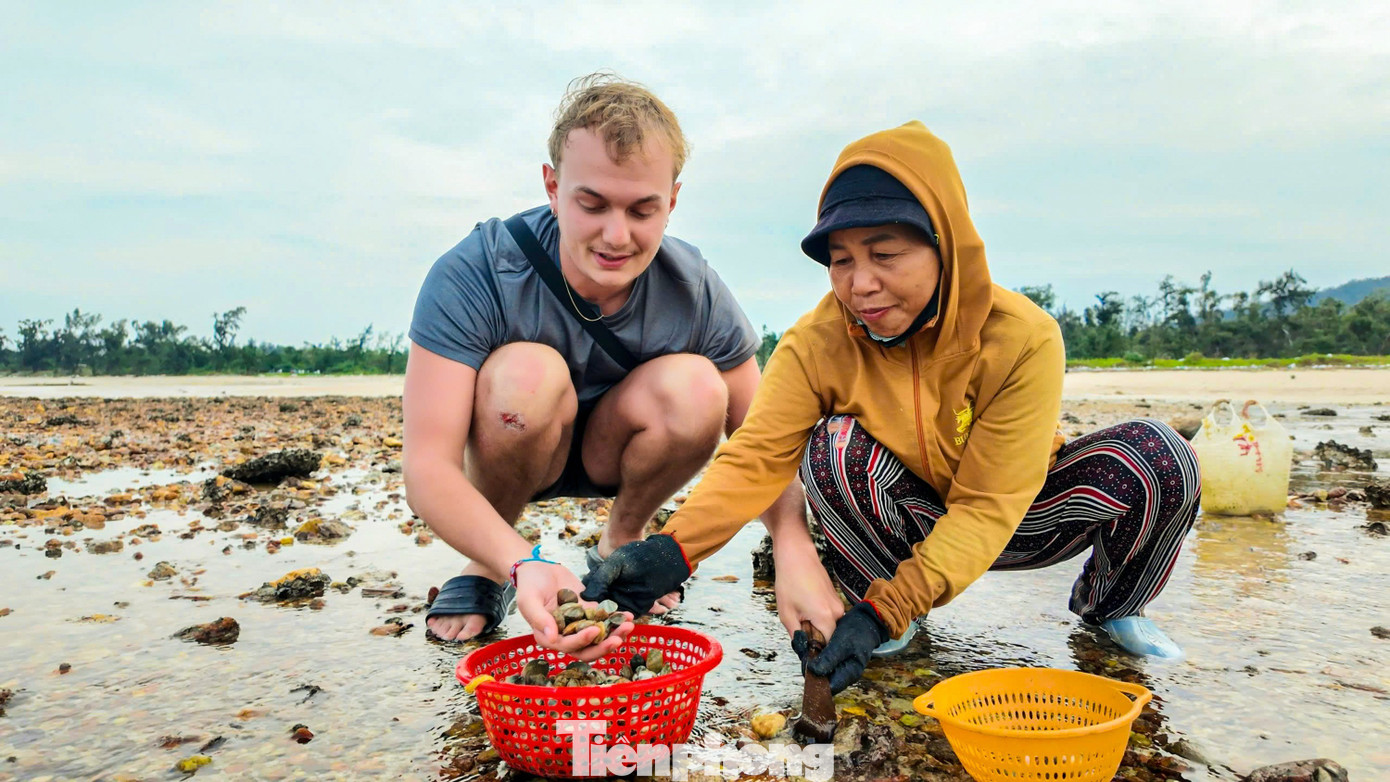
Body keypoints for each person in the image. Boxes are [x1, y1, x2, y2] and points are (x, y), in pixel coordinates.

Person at [583, 121, 1201, 688]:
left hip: (1019, 515)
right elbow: (756, 457)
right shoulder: (815, 343)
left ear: (945, 244)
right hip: (904, 523)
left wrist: (891, 605)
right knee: (833, 449)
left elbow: (988, 506)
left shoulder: (1021, 337)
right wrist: (675, 549)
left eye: (885, 254)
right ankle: (883, 615)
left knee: (1160, 456)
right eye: (842, 261)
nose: (861, 283)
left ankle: (1111, 612)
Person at [403, 73, 805, 661]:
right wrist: (526, 564)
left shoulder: (694, 288)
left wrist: (792, 547)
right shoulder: (477, 270)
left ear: (672, 201)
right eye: (591, 204)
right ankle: (490, 558)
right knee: (526, 374)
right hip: (515, 439)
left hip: (618, 450)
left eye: (642, 209)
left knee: (699, 385)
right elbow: (426, 465)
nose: (616, 236)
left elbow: (764, 438)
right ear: (552, 186)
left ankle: (623, 538)